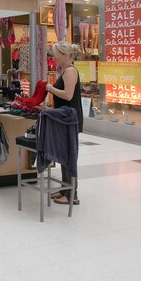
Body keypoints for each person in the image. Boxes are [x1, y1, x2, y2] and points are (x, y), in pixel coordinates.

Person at [44, 41, 83, 206]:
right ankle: (66, 188)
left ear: (64, 55)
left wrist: (50, 88)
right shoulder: (66, 71)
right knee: (64, 154)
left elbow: (68, 95)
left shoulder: (70, 71)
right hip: (64, 117)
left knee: (69, 155)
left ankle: (72, 194)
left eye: (56, 53)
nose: (54, 56)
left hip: (69, 119)